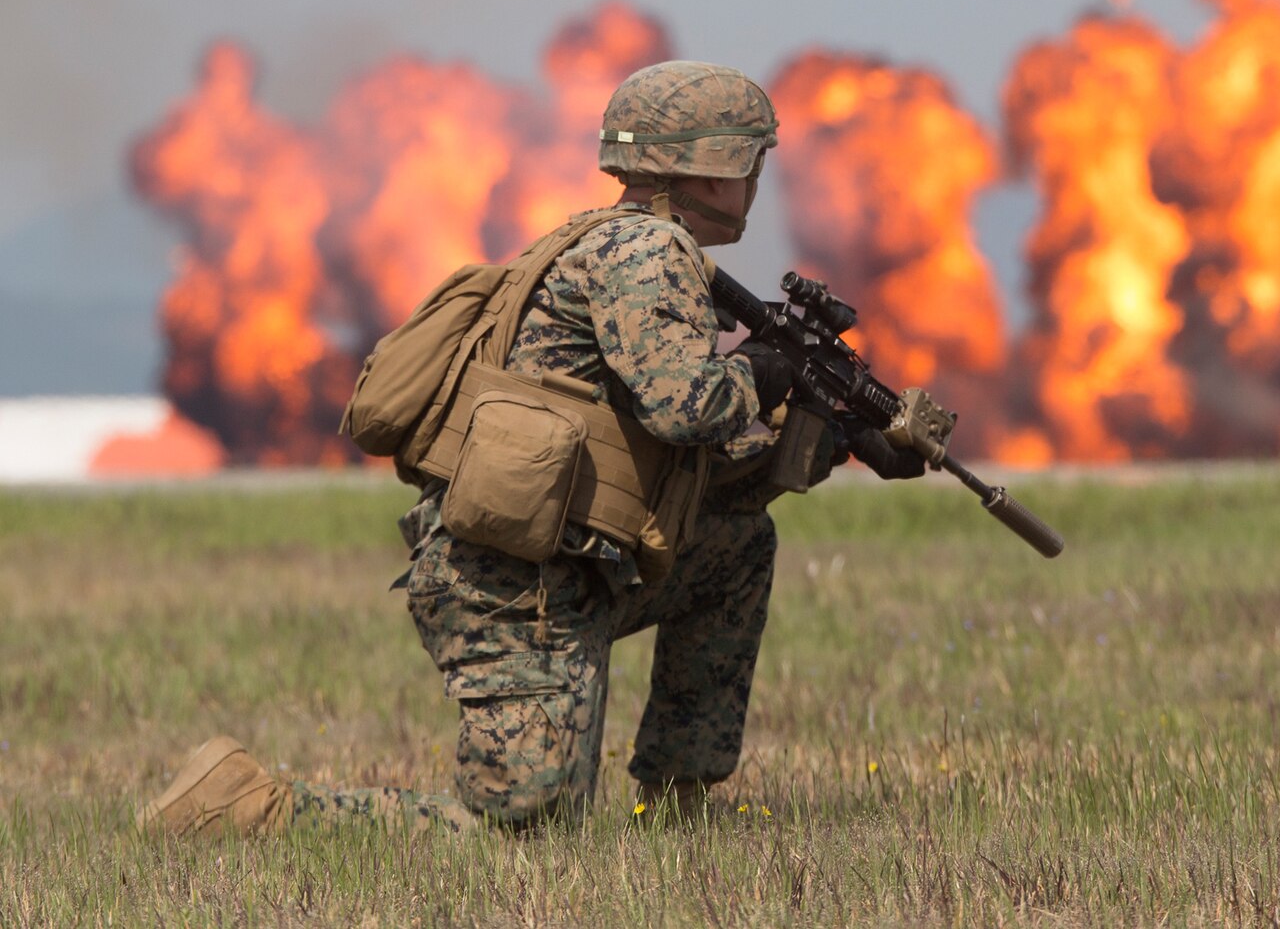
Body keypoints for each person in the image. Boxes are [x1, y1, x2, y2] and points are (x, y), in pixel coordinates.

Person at [140, 60, 923, 836]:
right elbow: (687, 410)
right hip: (512, 589)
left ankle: (681, 805)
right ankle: (244, 806)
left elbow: (691, 480)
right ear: (711, 169)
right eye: (750, 162)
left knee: (737, 546)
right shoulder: (647, 257)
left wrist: (836, 440)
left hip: (571, 565)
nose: (756, 183)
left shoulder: (614, 243)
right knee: (524, 831)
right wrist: (763, 371)